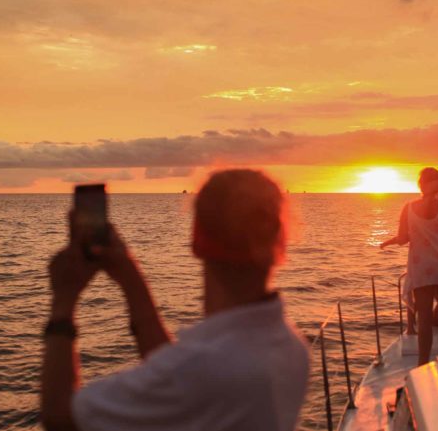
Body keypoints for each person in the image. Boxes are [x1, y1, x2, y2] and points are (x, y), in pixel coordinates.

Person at [41, 169, 310, 431]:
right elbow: (173, 370)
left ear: (196, 240)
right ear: (281, 239)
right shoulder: (291, 345)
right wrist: (129, 276)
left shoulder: (204, 367)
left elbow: (60, 416)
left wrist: (63, 303)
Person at [380, 167, 438, 365]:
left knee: (424, 320)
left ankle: (422, 363)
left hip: (421, 268)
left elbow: (403, 239)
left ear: (419, 184)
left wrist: (390, 241)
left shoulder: (409, 207)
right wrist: (437, 185)